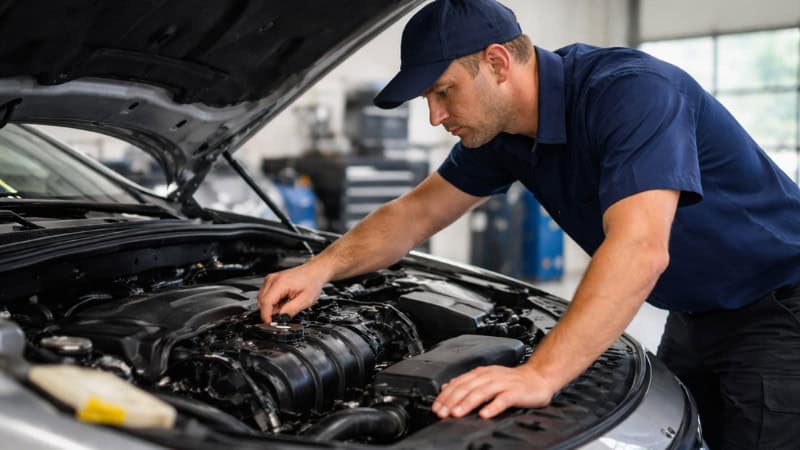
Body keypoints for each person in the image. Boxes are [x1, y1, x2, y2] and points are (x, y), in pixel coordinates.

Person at [258, 0, 800, 447]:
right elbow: (415, 213)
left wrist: (540, 374)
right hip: (695, 310)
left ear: (497, 62)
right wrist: (321, 268)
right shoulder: (503, 137)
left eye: (444, 91)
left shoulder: (631, 93)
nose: (434, 116)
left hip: (777, 307)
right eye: (429, 99)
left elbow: (639, 249)